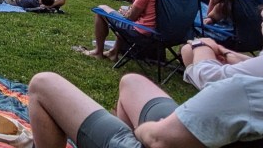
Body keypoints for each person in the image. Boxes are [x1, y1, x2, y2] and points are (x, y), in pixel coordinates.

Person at [28, 70, 263, 148]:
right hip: (201, 134)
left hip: (163, 139)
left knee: (42, 83)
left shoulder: (245, 89)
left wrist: (145, 130)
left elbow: (159, 140)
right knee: (131, 82)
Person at [180, 6, 263, 89]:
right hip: (245, 38)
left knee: (189, 49)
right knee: (188, 50)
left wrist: (199, 45)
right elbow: (256, 65)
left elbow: (210, 79)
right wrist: (225, 51)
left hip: (229, 36)